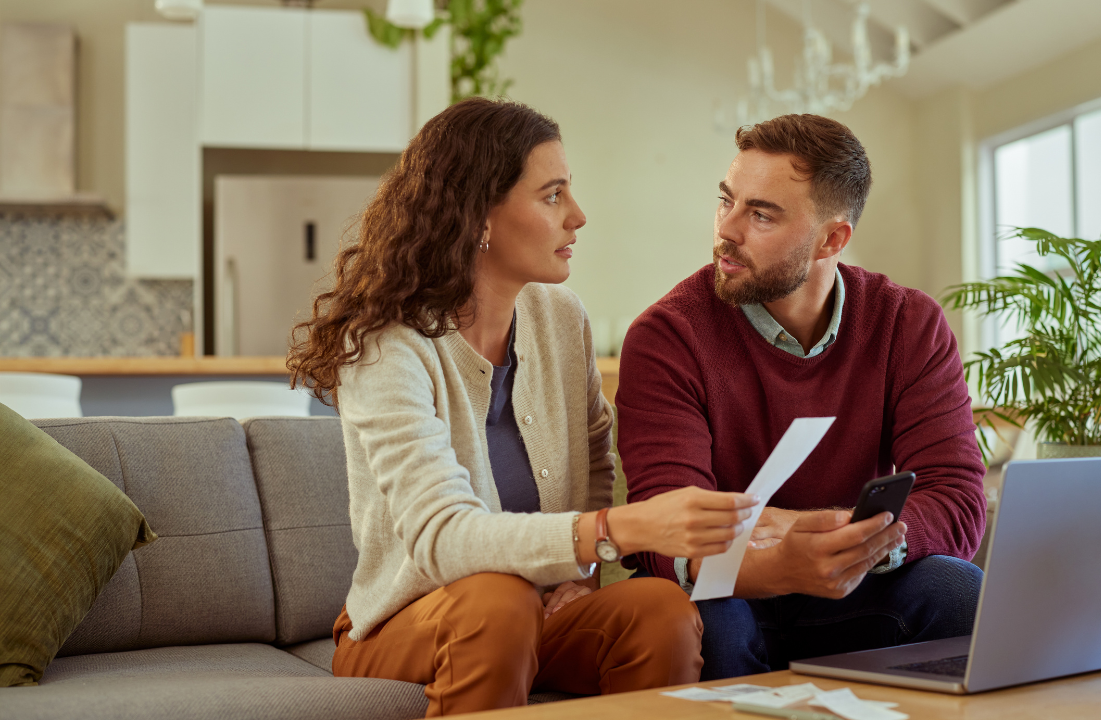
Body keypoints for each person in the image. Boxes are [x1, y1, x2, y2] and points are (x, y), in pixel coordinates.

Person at [288, 98, 758, 716]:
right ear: (479, 214)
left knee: (661, 611)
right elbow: (443, 535)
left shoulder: (560, 318)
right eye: (553, 195)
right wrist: (617, 530)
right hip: (408, 622)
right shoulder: (386, 347)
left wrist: (583, 575)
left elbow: (593, 458)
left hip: (540, 610)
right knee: (497, 601)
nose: (578, 217)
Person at [615, 113, 987, 680]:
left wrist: (830, 537)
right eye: (726, 201)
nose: (726, 231)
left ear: (832, 239)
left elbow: (957, 497)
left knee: (960, 592)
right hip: (729, 591)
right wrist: (782, 559)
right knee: (708, 624)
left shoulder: (907, 323)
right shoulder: (668, 335)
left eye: (760, 214)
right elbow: (662, 530)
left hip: (858, 589)